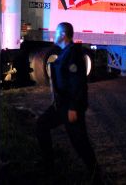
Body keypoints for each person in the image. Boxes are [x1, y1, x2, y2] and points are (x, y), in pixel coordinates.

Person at [35, 22, 102, 183]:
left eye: (57, 33)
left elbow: (77, 83)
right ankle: (49, 167)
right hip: (60, 106)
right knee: (41, 125)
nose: (54, 36)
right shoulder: (66, 52)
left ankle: (96, 176)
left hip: (70, 107)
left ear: (63, 34)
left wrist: (73, 108)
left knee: (80, 143)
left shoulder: (73, 54)